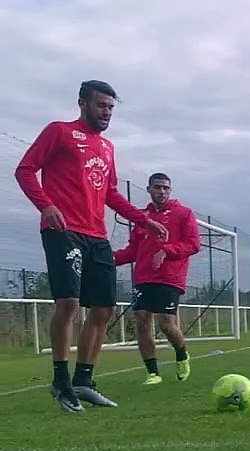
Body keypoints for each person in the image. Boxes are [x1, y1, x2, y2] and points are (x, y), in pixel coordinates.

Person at [14, 80, 169, 412]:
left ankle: (84, 381)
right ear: (83, 103)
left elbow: (110, 193)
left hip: (97, 236)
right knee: (69, 303)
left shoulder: (108, 147)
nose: (107, 112)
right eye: (101, 105)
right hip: (63, 230)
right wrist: (46, 206)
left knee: (103, 309)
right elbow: (25, 170)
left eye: (111, 107)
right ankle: (61, 381)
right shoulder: (59, 132)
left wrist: (144, 221)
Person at [112, 172, 201, 384]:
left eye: (165, 188)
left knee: (165, 323)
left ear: (170, 190)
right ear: (149, 189)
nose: (162, 191)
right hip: (143, 277)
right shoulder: (142, 218)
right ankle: (153, 373)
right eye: (157, 187)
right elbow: (133, 250)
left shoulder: (184, 214)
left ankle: (182, 355)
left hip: (170, 277)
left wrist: (166, 251)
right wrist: (109, 259)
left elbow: (193, 244)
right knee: (142, 319)